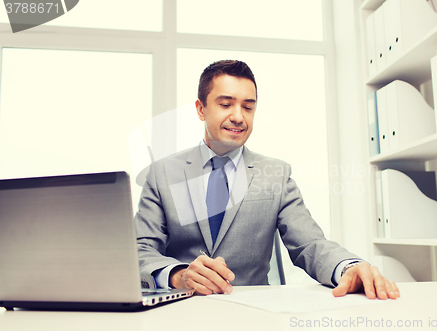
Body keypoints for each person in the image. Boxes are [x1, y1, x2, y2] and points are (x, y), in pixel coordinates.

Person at [135, 60, 399, 300]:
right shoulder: (163, 173)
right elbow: (140, 249)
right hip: (180, 310)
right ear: (201, 109)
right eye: (226, 104)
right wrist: (177, 275)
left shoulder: (276, 174)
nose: (239, 116)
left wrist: (349, 267)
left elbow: (310, 243)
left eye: (248, 107)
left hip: (254, 311)